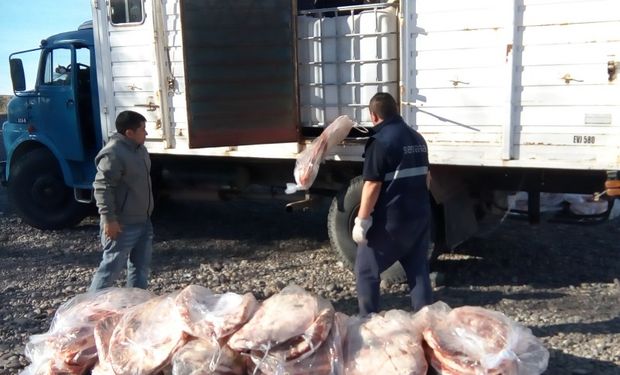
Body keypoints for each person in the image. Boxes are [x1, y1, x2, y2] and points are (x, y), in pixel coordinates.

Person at [351, 92, 433, 316]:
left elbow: (372, 185)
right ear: (396, 111)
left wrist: (362, 220)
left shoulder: (380, 142)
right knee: (418, 271)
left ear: (373, 115)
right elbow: (427, 178)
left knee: (366, 270)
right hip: (419, 215)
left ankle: (368, 321)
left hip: (391, 220)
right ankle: (427, 326)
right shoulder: (417, 138)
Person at [89, 110, 154, 291]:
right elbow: (102, 188)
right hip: (122, 224)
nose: (146, 133)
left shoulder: (139, 150)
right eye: (143, 129)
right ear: (129, 133)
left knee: (140, 269)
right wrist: (109, 220)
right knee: (110, 270)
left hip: (143, 220)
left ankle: (135, 309)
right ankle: (88, 313)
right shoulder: (113, 153)